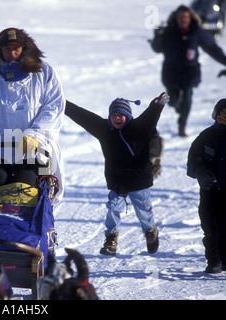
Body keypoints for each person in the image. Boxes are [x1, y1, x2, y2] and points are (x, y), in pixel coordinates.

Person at [0, 27, 65, 203]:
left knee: (25, 188)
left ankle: (22, 228)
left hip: (32, 150)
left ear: (24, 49)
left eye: (16, 48)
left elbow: (53, 107)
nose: (12, 53)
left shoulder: (44, 74)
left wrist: (35, 136)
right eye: (7, 49)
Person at [65, 92, 170, 256]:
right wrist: (61, 102)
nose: (117, 117)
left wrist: (156, 105)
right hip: (118, 180)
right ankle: (110, 239)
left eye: (121, 114)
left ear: (128, 116)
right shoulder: (104, 129)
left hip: (138, 179)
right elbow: (82, 115)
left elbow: (149, 117)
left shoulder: (138, 128)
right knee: (113, 209)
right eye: (114, 114)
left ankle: (150, 231)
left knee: (143, 211)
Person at [151, 5, 226, 137]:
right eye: (180, 17)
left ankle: (182, 125)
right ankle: (178, 107)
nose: (183, 20)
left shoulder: (196, 31)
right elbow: (157, 48)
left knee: (187, 98)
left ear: (190, 18)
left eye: (186, 17)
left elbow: (212, 48)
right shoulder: (169, 31)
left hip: (189, 73)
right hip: (171, 73)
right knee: (172, 100)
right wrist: (157, 36)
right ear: (176, 18)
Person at [187, 99, 226, 273]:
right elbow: (193, 159)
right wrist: (200, 172)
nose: (222, 120)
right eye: (220, 116)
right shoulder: (206, 136)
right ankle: (214, 261)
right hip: (209, 189)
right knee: (209, 225)